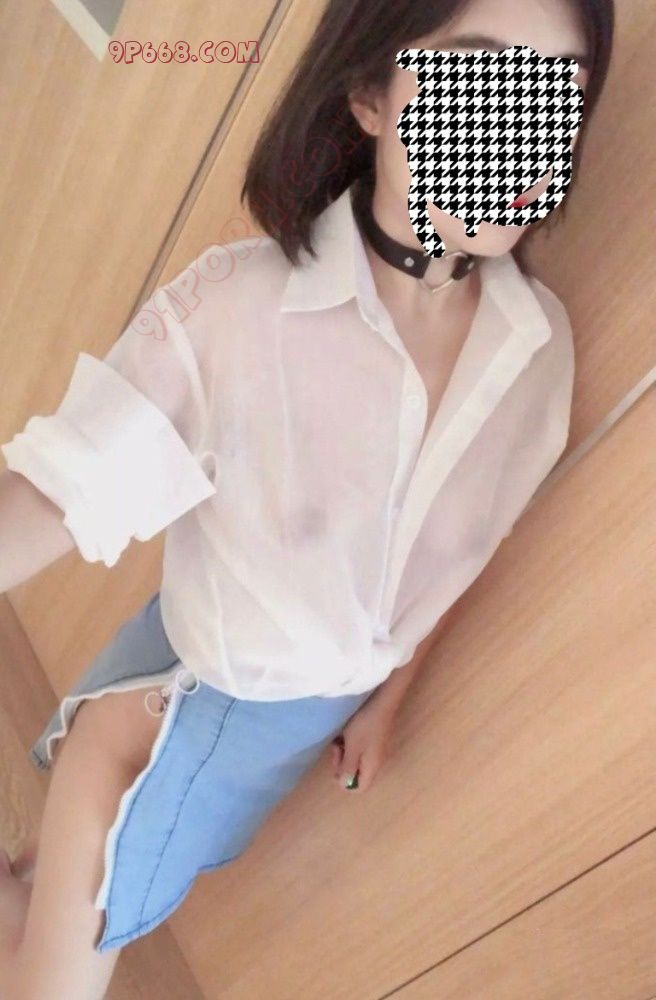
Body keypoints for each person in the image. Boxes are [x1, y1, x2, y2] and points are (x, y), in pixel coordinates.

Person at [0, 0, 614, 995]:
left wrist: (385, 703)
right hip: (158, 733)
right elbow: (53, 492)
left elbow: (460, 559)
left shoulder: (538, 350)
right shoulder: (236, 305)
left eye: (560, 94)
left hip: (273, 744)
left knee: (65, 900)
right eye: (482, 73)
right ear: (369, 92)